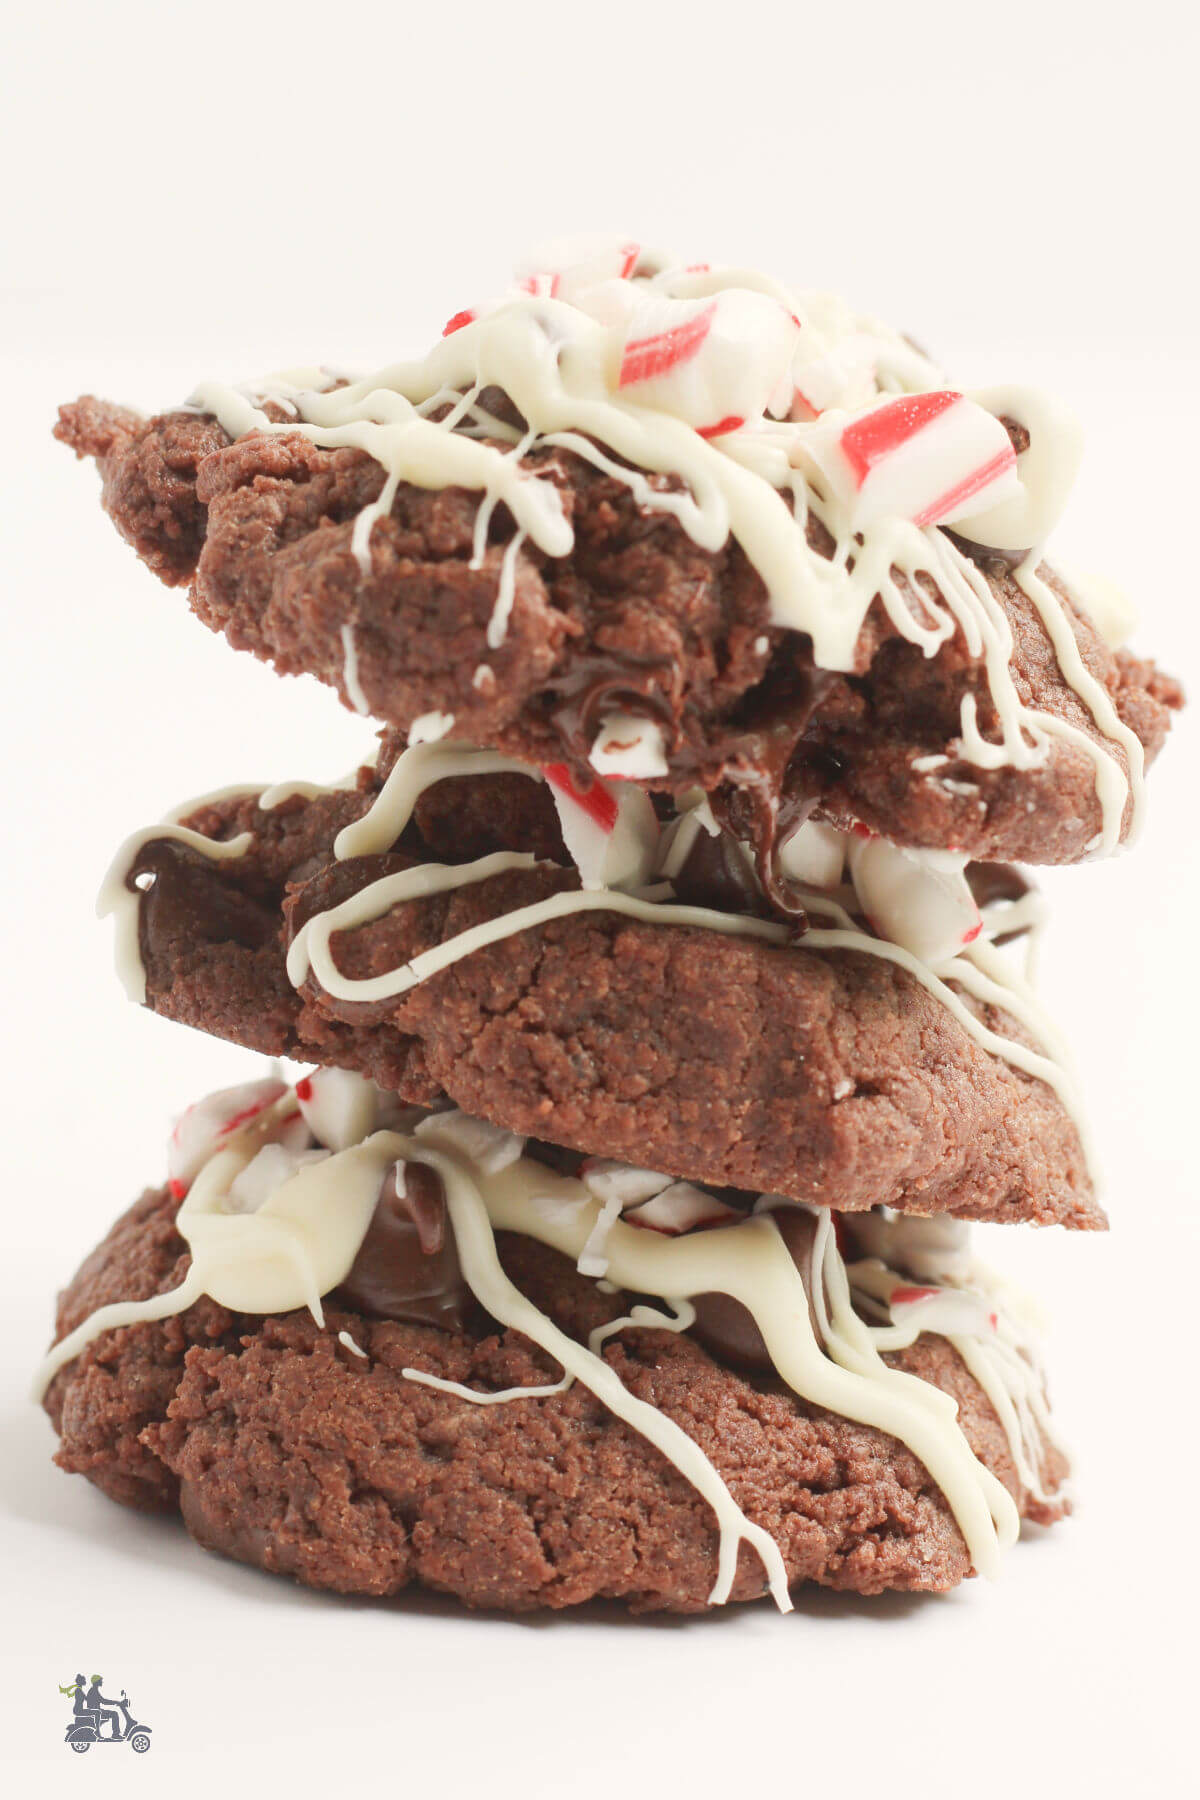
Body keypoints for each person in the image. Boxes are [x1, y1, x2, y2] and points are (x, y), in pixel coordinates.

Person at [85, 1674, 121, 1741]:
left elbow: (102, 1700)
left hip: (97, 1710)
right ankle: (115, 1734)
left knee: (113, 1713)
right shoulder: (93, 1691)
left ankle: (115, 1734)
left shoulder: (93, 1690)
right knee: (114, 1714)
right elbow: (103, 1701)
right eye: (100, 1680)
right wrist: (116, 1702)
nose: (102, 1682)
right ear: (96, 1682)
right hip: (96, 1711)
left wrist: (115, 1702)